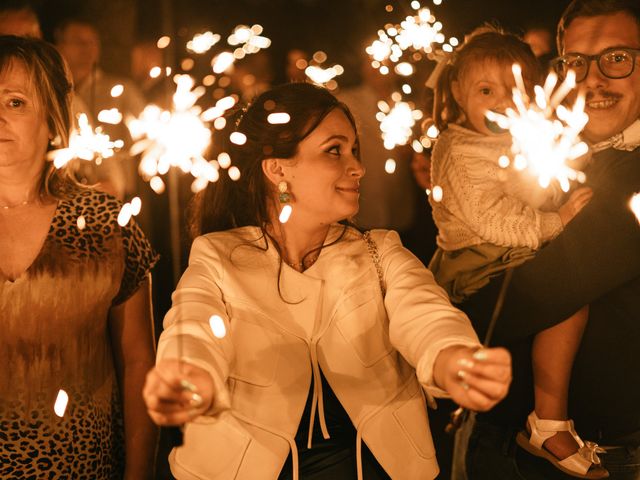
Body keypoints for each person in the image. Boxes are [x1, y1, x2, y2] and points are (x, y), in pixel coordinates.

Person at [142, 82, 512, 480]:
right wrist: (191, 373)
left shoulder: (379, 251)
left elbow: (425, 314)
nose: (357, 167)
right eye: (334, 150)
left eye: (354, 150)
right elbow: (194, 327)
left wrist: (452, 356)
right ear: (277, 168)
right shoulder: (217, 256)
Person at [457, 1, 640, 479]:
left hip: (609, 455)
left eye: (616, 58)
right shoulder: (557, 152)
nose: (592, 79)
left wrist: (429, 328)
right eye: (575, 62)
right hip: (517, 442)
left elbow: (541, 291)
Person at [427, 26, 603, 478]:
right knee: (568, 299)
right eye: (486, 90)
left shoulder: (509, 139)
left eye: (515, 90)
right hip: (479, 265)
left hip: (508, 252)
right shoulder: (460, 152)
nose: (502, 102)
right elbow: (494, 220)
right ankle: (548, 420)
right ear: (457, 92)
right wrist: (557, 222)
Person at [0, 36, 158, 479]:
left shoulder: (107, 223)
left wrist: (140, 472)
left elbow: (138, 363)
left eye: (15, 102)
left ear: (53, 119)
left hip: (82, 467)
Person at [54, 17, 146, 199]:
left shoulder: (122, 91)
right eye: (79, 42)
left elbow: (148, 135)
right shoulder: (55, 94)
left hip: (119, 193)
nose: (87, 48)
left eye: (92, 42)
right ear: (59, 45)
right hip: (66, 194)